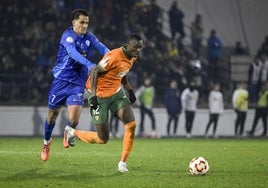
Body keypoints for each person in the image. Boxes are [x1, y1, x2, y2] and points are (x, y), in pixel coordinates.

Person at [64, 33, 144, 173]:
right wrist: (93, 96)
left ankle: (122, 163)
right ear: (128, 45)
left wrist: (130, 91)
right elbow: (94, 71)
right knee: (103, 138)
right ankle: (72, 132)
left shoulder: (133, 57)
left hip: (116, 94)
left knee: (131, 125)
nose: (137, 51)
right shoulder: (114, 56)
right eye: (136, 47)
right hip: (99, 96)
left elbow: (121, 73)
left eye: (140, 48)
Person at [40, 9, 110, 161]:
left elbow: (104, 49)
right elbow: (72, 53)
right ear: (74, 22)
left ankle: (68, 131)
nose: (84, 26)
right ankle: (46, 142)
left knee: (74, 119)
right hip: (61, 81)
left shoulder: (89, 37)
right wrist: (89, 64)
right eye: (82, 22)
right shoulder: (68, 36)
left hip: (78, 82)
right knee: (52, 115)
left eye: (87, 23)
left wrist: (114, 58)